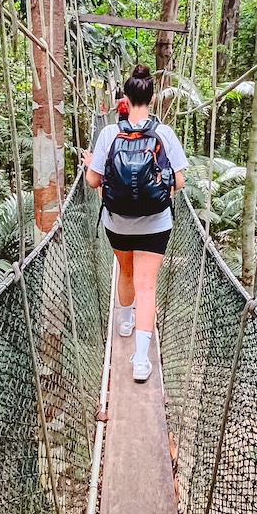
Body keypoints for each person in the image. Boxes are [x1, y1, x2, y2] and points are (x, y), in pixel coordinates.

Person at [83, 63, 188, 383]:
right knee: (147, 285)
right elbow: (180, 182)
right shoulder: (165, 134)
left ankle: (125, 321)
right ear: (152, 99)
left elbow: (91, 181)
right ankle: (141, 360)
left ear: (124, 101)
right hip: (156, 223)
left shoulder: (108, 133)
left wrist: (92, 166)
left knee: (125, 272)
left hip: (117, 223)